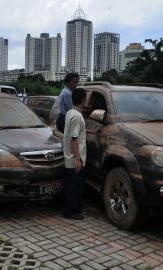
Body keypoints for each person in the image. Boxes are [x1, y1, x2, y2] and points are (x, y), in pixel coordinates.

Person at [63, 88, 87, 220]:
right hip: (75, 159)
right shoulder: (77, 117)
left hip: (69, 157)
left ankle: (71, 210)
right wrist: (78, 160)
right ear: (83, 100)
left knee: (72, 186)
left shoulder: (70, 113)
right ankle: (72, 212)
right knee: (75, 187)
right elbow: (74, 139)